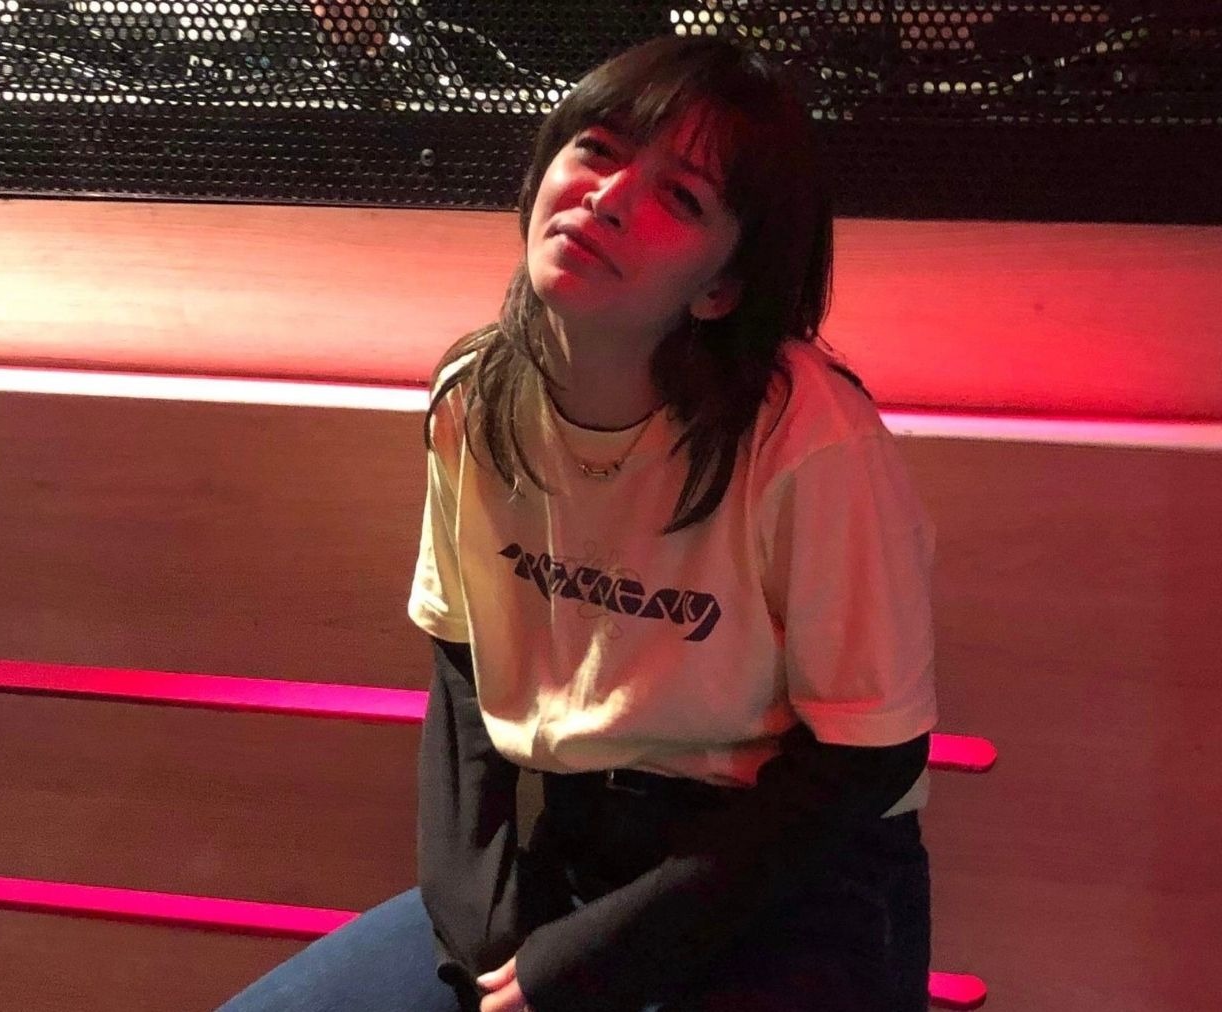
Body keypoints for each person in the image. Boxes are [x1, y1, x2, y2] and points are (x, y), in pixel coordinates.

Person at [217, 32, 938, 1012]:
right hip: (577, 852)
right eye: (597, 149)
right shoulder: (475, 394)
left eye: (680, 197)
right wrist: (482, 926)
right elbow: (464, 672)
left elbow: (867, 756)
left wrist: (591, 961)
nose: (608, 197)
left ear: (722, 287)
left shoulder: (808, 438)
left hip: (796, 883)